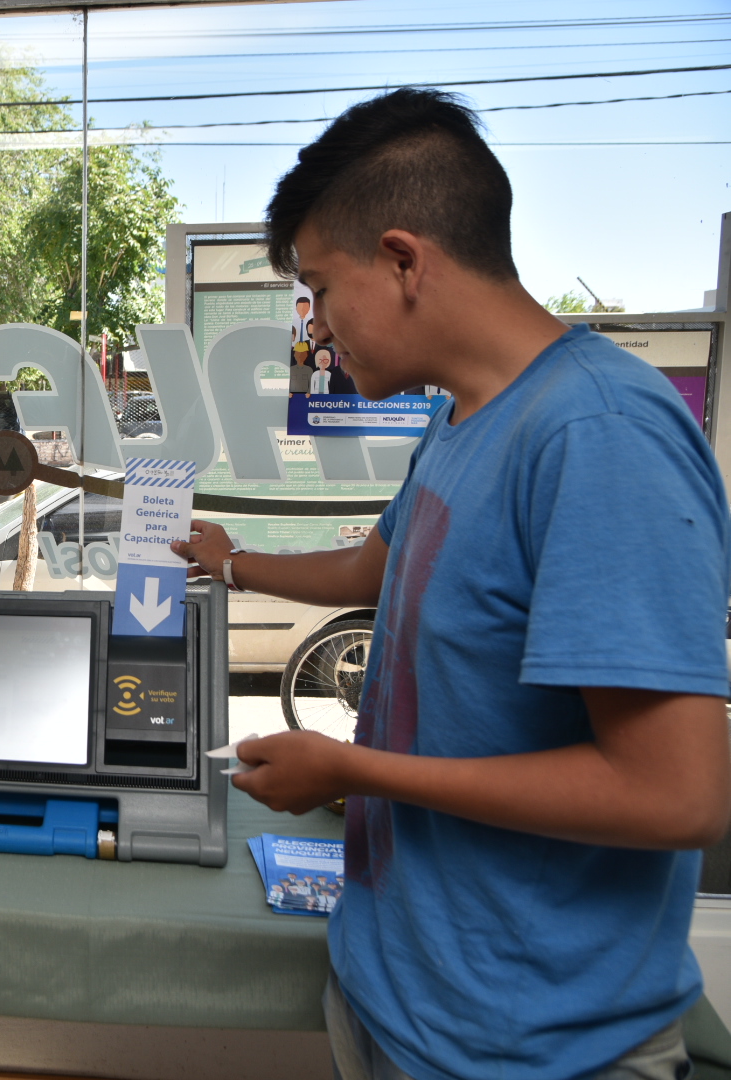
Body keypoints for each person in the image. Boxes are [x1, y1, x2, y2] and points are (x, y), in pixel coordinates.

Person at [172, 89, 730, 1080]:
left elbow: (677, 794)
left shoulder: (599, 435)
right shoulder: (466, 416)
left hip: (530, 1049)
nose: (317, 324)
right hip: (399, 995)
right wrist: (230, 560)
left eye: (320, 288)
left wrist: (352, 770)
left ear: (401, 260)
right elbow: (377, 569)